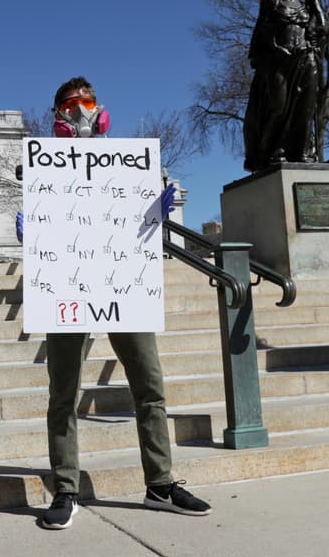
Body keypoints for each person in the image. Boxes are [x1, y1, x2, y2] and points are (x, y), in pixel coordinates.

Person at [39, 76, 210, 530]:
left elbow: (140, 214)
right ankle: (66, 487)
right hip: (69, 287)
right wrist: (30, 229)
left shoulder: (129, 164)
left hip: (123, 285)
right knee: (63, 392)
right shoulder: (45, 166)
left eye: (88, 103)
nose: (80, 112)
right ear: (57, 115)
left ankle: (160, 484)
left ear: (102, 110)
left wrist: (160, 201)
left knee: (149, 385)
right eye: (71, 105)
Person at [242, 0, 326, 172]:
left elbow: (321, 32)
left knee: (305, 110)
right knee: (278, 109)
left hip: (304, 61)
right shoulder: (273, 3)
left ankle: (299, 152)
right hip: (278, 63)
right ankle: (268, 152)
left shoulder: (306, 6)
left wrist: (317, 7)